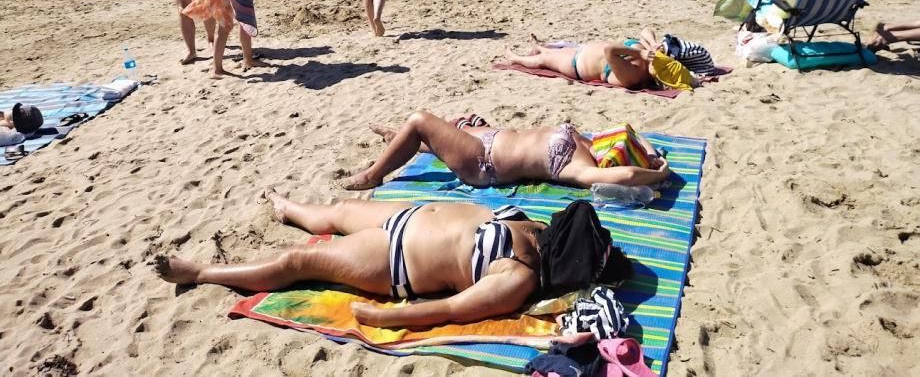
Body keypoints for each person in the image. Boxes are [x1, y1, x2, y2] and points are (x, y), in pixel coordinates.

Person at [155, 195, 632, 328]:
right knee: (340, 209)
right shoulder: (538, 229)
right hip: (408, 215)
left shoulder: (518, 278)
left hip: (393, 260)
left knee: (298, 259)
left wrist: (384, 317)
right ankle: (290, 209)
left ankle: (200, 272)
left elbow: (451, 310)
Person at [341, 111, 669, 191]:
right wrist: (652, 154)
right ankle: (398, 139)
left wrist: (657, 174)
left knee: (420, 121)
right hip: (489, 139)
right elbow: (630, 130)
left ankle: (373, 175)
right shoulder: (588, 143)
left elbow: (628, 175)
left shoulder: (579, 167)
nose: (616, 140)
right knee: (446, 131)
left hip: (484, 163)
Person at [503, 30, 695, 92]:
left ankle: (515, 58)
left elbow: (609, 51)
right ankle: (540, 47)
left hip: (577, 63)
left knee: (543, 60)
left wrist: (640, 54)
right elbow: (645, 30)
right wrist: (652, 44)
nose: (661, 61)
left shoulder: (634, 76)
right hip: (583, 49)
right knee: (550, 52)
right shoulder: (651, 58)